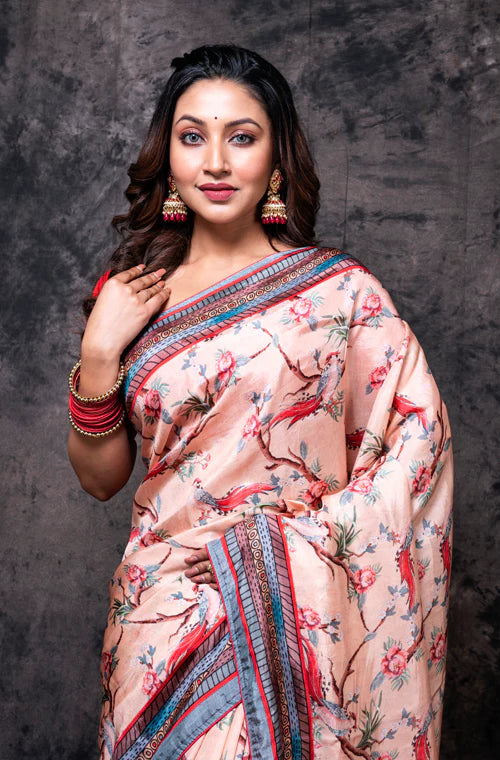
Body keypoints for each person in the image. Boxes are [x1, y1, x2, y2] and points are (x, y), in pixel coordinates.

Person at [68, 45, 453, 760]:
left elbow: (417, 452)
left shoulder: (342, 296)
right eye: (192, 137)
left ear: (276, 159)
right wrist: (98, 355)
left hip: (299, 613)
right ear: (169, 157)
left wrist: (266, 551)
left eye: (241, 137)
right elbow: (99, 480)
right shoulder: (130, 294)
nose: (215, 162)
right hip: (162, 616)